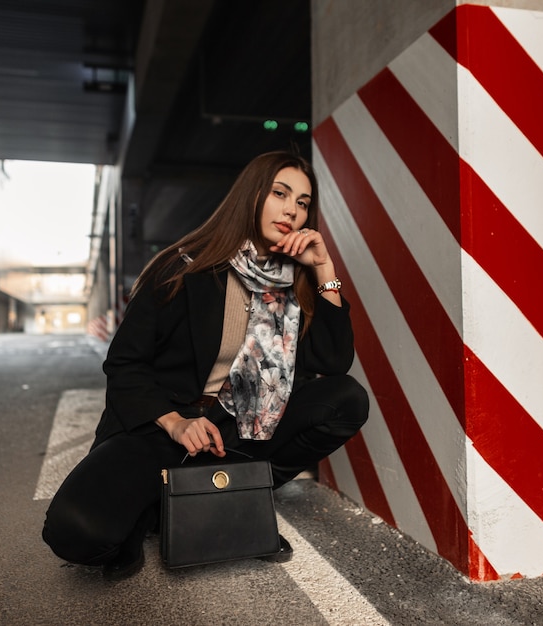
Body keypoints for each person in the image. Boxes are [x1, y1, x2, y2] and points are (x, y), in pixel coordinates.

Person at [42, 150, 369, 580]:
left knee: (346, 399)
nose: (293, 208)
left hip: (243, 426)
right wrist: (175, 422)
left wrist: (324, 268)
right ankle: (158, 510)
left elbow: (333, 360)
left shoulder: (295, 279)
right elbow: (125, 363)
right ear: (251, 196)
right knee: (78, 534)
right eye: (280, 193)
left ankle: (239, 496)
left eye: (304, 202)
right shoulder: (182, 269)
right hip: (164, 423)